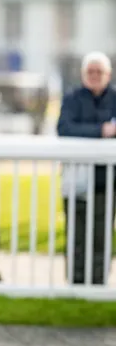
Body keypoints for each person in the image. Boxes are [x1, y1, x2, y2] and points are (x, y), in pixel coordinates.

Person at [56, 51, 116, 285]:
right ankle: (76, 282)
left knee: (102, 234)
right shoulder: (72, 98)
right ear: (83, 74)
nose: (94, 76)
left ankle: (98, 281)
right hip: (76, 178)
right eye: (90, 71)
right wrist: (101, 131)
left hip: (106, 180)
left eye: (99, 72)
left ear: (108, 74)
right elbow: (65, 129)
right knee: (76, 233)